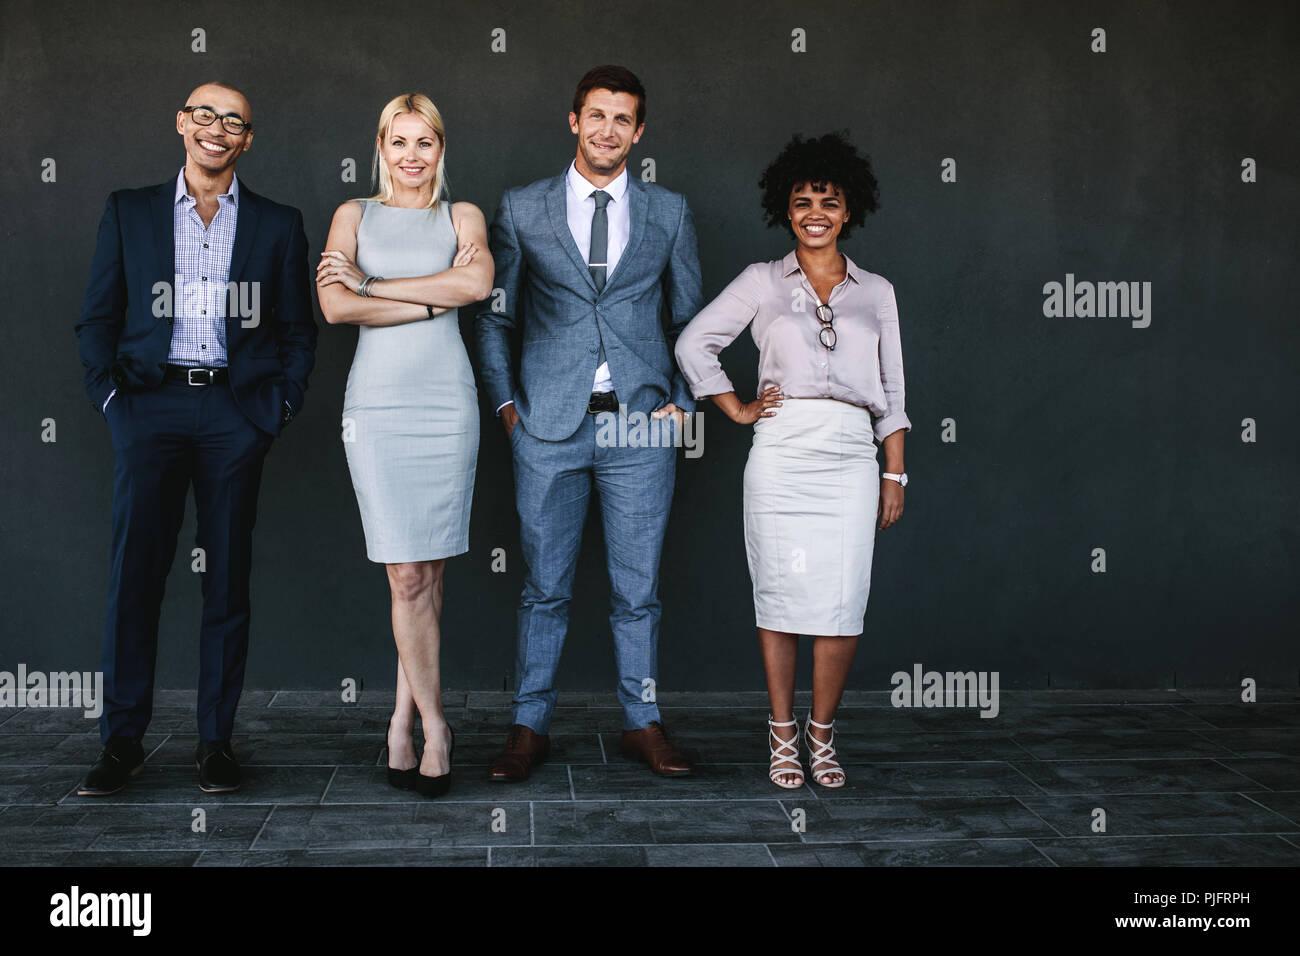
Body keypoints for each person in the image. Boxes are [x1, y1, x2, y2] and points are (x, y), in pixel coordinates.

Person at [73, 82, 317, 795]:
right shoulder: (130, 211)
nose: (217, 128)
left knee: (226, 582)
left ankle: (216, 742)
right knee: (134, 578)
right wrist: (113, 400)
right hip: (147, 408)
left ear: (247, 139)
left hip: (235, 418)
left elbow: (297, 331)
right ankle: (122, 743)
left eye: (234, 120)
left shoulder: (278, 224)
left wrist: (281, 405)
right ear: (181, 123)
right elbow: (97, 318)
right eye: (205, 114)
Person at [475, 65, 701, 781]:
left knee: (639, 591)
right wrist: (509, 408)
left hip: (641, 427)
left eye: (623, 119)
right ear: (574, 121)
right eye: (596, 115)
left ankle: (643, 723)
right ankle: (528, 726)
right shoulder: (521, 208)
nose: (608, 130)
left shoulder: (669, 212)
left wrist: (685, 407)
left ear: (640, 132)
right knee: (546, 586)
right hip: (548, 428)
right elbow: (495, 320)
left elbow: (693, 322)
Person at [674, 131, 911, 789]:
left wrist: (895, 472)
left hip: (850, 456)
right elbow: (696, 345)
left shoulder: (877, 292)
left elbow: (893, 394)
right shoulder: (761, 282)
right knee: (778, 596)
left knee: (842, 601)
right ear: (785, 207)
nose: (815, 212)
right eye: (803, 200)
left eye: (828, 201)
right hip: (781, 453)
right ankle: (781, 735)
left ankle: (822, 735)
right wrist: (738, 408)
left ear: (848, 210)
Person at [317, 94, 492, 798]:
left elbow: (477, 284)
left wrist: (378, 287)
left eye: (425, 143)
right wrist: (431, 296)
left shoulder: (464, 217)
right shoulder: (352, 215)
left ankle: (399, 722)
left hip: (447, 405)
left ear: (440, 149)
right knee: (406, 577)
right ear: (381, 146)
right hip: (379, 410)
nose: (412, 156)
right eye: (399, 142)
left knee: (429, 574)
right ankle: (437, 727)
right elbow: (334, 304)